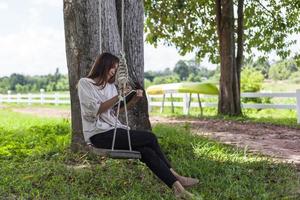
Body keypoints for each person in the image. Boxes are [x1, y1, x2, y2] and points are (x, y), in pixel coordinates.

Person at [77, 52, 199, 199]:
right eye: (112, 68)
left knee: (147, 151)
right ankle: (176, 176)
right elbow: (95, 111)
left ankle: (178, 189)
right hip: (98, 135)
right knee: (150, 138)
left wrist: (133, 100)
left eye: (115, 70)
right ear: (104, 65)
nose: (113, 72)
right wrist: (119, 95)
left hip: (113, 131)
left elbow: (113, 112)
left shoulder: (110, 87)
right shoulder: (85, 83)